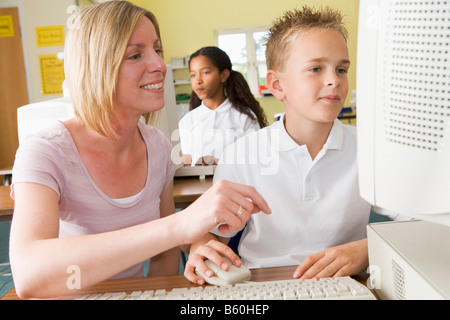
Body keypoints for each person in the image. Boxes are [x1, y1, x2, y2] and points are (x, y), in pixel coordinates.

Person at [8, 1, 270, 299]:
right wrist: (177, 226)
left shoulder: (157, 146)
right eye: (135, 55)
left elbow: (164, 258)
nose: (159, 65)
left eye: (157, 50)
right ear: (96, 66)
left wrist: (188, 246)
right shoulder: (44, 150)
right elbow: (29, 274)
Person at [184, 6, 406, 285]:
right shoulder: (242, 154)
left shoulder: (369, 148)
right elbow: (213, 233)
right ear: (277, 85)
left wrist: (368, 250)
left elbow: (419, 225)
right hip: (261, 285)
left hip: (347, 284)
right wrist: (201, 247)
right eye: (316, 68)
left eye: (341, 69)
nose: (334, 80)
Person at [178, 46, 268, 166]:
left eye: (205, 73)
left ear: (224, 75)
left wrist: (221, 164)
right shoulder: (187, 121)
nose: (197, 81)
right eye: (193, 75)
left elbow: (255, 161)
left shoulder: (245, 117)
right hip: (200, 185)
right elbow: (187, 164)